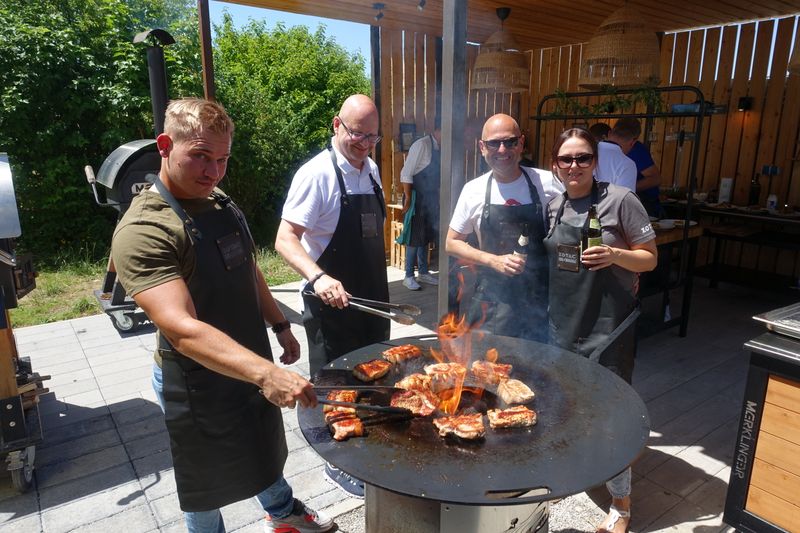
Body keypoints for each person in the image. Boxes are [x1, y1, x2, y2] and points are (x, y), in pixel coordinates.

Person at [111, 98, 332, 533]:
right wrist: (266, 374)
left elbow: (246, 267)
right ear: (164, 146)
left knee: (261, 447)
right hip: (196, 380)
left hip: (248, 361)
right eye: (199, 156)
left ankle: (282, 510)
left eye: (222, 159)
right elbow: (182, 330)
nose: (212, 171)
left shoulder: (219, 202)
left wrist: (280, 325)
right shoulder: (146, 229)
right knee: (205, 479)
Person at [275, 94, 389, 499]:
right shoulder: (317, 174)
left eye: (372, 137)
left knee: (376, 377)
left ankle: (368, 446)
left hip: (372, 297)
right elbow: (285, 239)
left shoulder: (371, 169)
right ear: (336, 124)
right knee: (335, 385)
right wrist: (317, 276)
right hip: (331, 302)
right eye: (357, 134)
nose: (364, 144)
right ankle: (335, 464)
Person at [544, 127, 657, 533]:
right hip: (564, 327)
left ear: (595, 161)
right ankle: (576, 471)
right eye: (566, 159)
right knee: (567, 407)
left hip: (609, 329)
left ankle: (622, 505)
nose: (574, 166)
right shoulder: (553, 206)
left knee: (614, 417)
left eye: (583, 158)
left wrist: (616, 254)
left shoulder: (621, 201)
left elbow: (650, 259)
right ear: (555, 165)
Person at [445, 113, 562, 342]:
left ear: (521, 143)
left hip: (538, 301)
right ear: (482, 147)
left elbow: (576, 222)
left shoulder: (547, 183)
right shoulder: (473, 190)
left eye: (510, 142)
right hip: (492, 304)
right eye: (493, 143)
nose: (502, 150)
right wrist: (492, 260)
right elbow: (451, 243)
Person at [399, 116, 441, 290]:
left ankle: (423, 272)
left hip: (429, 198)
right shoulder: (421, 145)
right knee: (414, 238)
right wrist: (408, 198)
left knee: (425, 237)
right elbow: (406, 173)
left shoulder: (438, 147)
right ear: (438, 131)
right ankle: (408, 275)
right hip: (415, 197)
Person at [607, 117, 664, 217]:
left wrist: (627, 187)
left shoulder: (637, 151)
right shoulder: (602, 147)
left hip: (643, 204)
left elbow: (655, 179)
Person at [589, 123, 637, 193]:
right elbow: (624, 199)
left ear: (609, 133)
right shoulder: (627, 164)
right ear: (633, 142)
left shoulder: (584, 151)